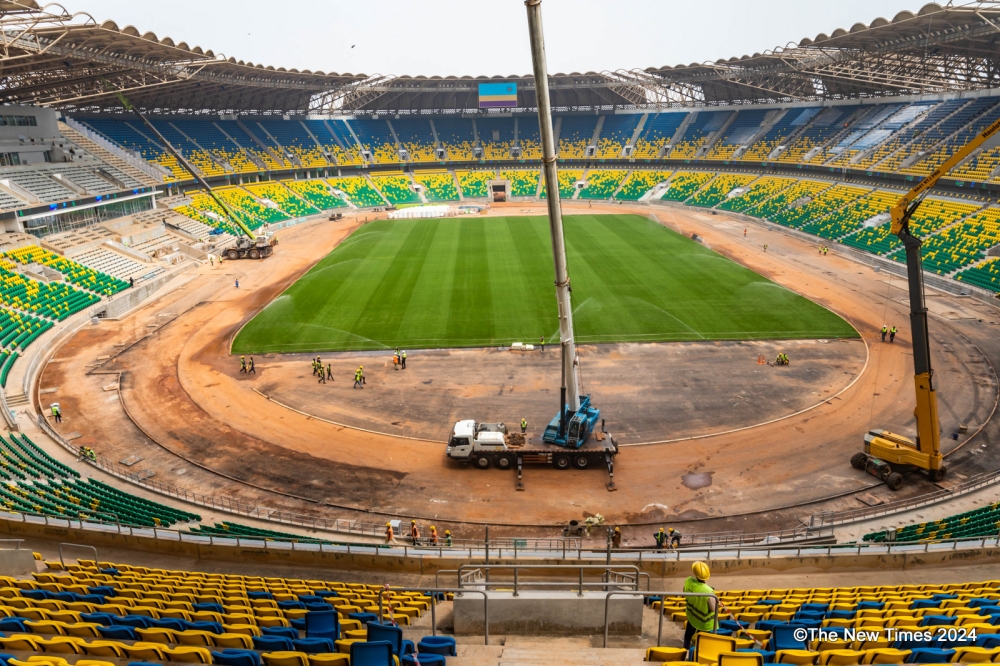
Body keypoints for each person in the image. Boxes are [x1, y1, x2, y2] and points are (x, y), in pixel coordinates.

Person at [683, 561, 717, 650]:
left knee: (688, 633)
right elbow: (713, 609)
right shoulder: (708, 591)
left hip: (692, 617)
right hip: (704, 623)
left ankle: (685, 649)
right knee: (702, 640)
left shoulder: (688, 581)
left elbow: (684, 591)